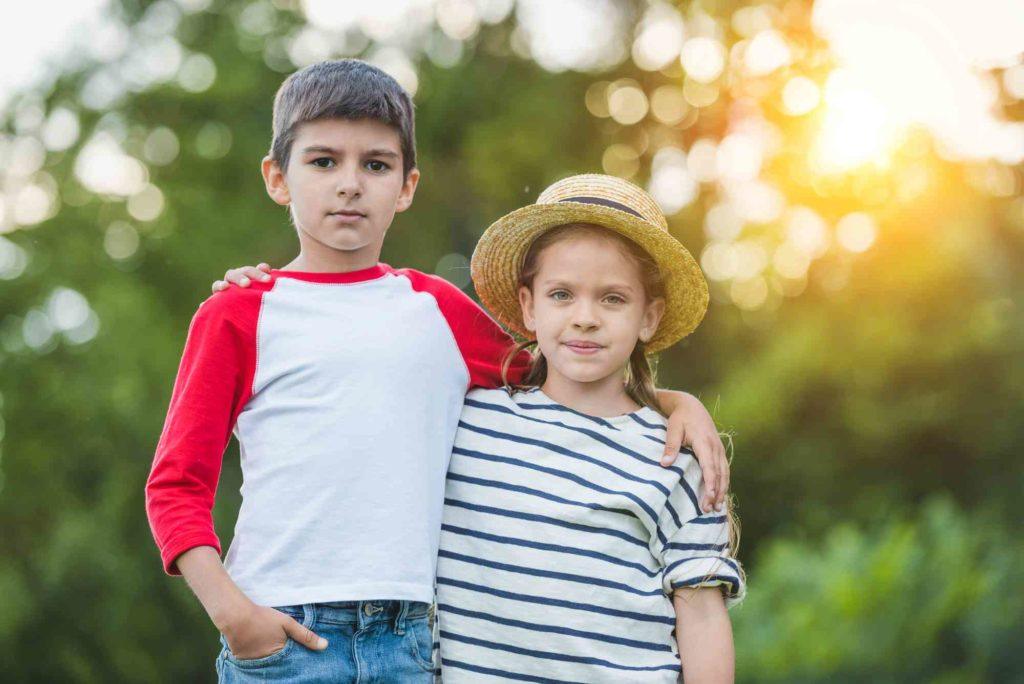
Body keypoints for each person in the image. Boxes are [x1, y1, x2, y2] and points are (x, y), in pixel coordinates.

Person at [147, 59, 728, 683]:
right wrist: (234, 615)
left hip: (411, 639)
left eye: (375, 164)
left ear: (406, 185)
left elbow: (563, 369)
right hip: (282, 629)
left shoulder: (438, 313)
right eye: (323, 161)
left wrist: (671, 400)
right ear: (276, 177)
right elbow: (176, 485)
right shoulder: (238, 313)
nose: (350, 184)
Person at [434, 174, 745, 682]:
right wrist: (258, 288)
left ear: (649, 317)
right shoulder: (468, 421)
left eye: (613, 299)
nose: (585, 318)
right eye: (561, 294)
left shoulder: (677, 456)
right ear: (530, 306)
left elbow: (703, 616)